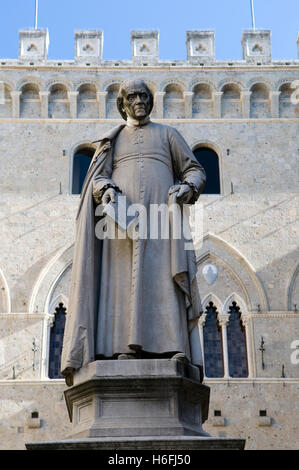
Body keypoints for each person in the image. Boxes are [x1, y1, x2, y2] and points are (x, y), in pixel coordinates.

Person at [61, 79, 206, 386]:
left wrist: (187, 186)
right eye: (133, 97)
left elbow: (195, 169)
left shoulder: (168, 135)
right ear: (123, 104)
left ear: (150, 102)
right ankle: (120, 349)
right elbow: (96, 180)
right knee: (120, 285)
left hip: (162, 222)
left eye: (144, 96)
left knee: (164, 279)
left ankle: (175, 348)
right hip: (119, 226)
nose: (140, 101)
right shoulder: (111, 142)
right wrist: (106, 188)